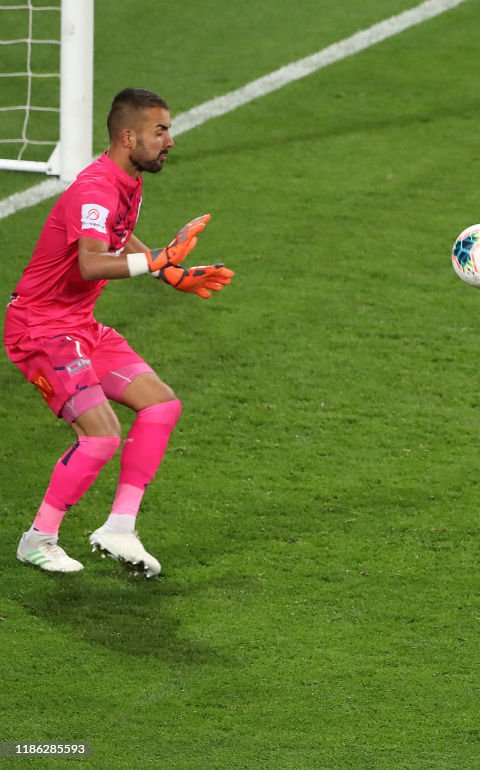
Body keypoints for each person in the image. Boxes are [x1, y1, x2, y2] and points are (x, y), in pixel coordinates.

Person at [5, 87, 234, 578]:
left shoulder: (126, 180)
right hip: (41, 330)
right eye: (161, 130)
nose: (170, 139)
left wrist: (167, 272)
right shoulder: (96, 189)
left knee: (161, 404)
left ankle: (119, 527)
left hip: (79, 327)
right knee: (102, 436)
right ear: (128, 137)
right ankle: (38, 538)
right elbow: (90, 264)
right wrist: (158, 259)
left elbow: (116, 233)